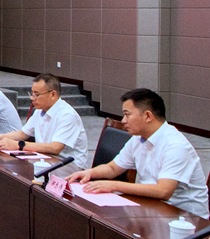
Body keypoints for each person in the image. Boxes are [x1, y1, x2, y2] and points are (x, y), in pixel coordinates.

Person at [67, 89, 209, 218]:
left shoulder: (175, 146)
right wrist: (89, 173)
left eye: (127, 115)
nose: (123, 121)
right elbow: (112, 168)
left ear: (148, 116)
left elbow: (163, 191)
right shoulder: (138, 139)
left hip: (186, 219)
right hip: (151, 207)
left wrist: (114, 186)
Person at [0, 73, 88, 169]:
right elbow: (22, 134)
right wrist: (0, 137)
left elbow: (55, 148)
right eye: (32, 93)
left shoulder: (67, 115)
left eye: (37, 94)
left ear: (53, 94)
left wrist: (19, 145)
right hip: (46, 161)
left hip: (70, 168)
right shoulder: (40, 111)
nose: (32, 98)